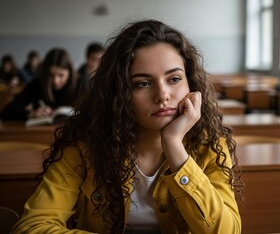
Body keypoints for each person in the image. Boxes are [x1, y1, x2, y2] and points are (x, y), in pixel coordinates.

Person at [12, 20, 242, 233]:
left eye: (174, 79)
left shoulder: (209, 145)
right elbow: (33, 226)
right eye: (142, 83)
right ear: (118, 93)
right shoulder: (85, 145)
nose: (162, 95)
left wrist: (174, 146)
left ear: (190, 84)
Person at [1, 48, 79, 121]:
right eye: (51, 75)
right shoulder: (37, 84)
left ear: (70, 73)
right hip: (41, 133)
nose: (56, 81)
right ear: (45, 73)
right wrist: (30, 114)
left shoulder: (80, 84)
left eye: (61, 75)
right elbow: (6, 112)